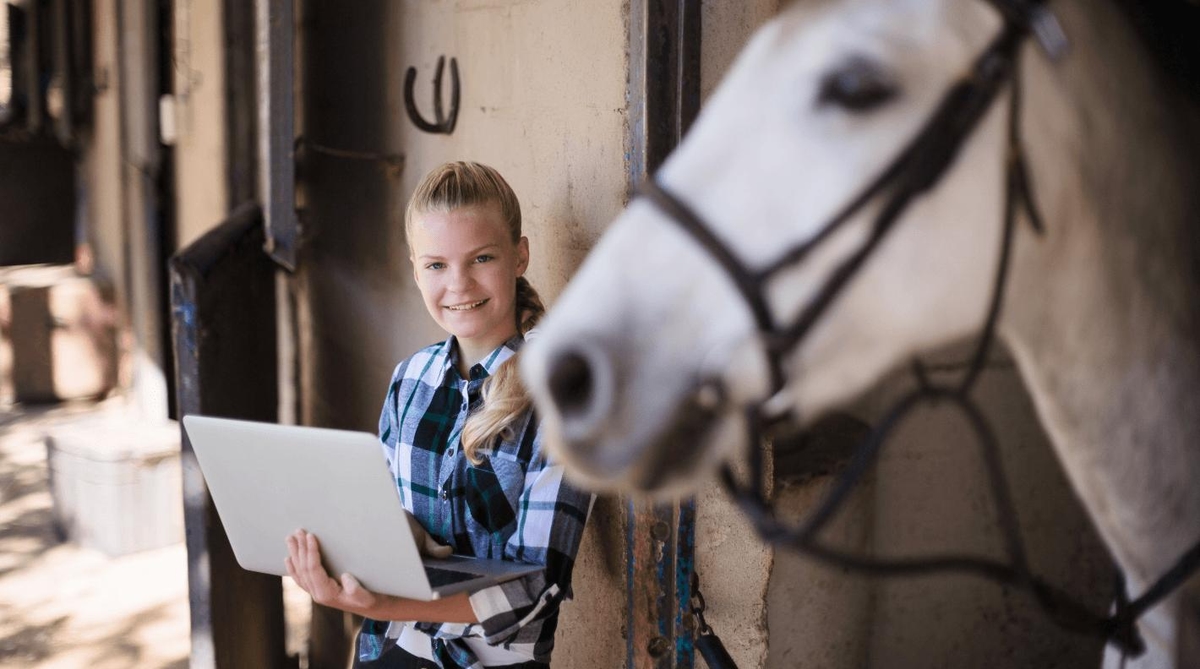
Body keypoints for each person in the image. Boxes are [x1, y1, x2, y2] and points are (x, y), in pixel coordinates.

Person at [285, 161, 595, 668]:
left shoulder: (561, 395)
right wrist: (389, 530)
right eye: (436, 265)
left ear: (520, 256)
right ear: (414, 268)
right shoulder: (410, 378)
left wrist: (386, 603)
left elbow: (538, 591)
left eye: (482, 258)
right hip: (386, 650)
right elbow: (377, 515)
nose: (459, 284)